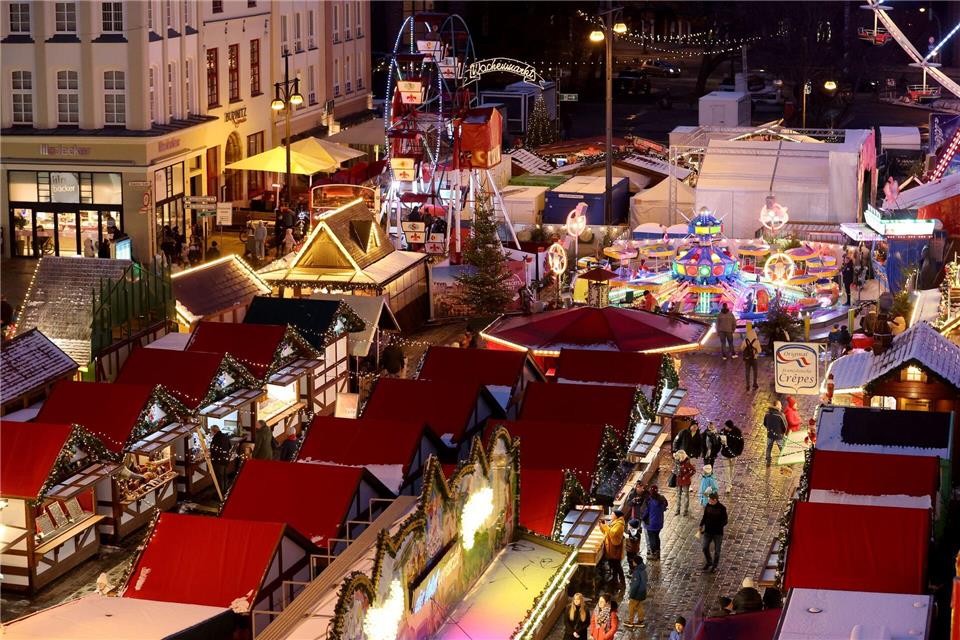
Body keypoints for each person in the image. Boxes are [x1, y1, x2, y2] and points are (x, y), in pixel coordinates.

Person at [699, 490, 727, 572]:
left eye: (710, 500)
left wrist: (718, 525)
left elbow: (725, 521)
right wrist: (701, 525)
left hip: (718, 533)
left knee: (717, 551)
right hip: (707, 532)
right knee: (704, 547)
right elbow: (705, 516)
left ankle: (714, 566)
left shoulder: (722, 508)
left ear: (715, 500)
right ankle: (709, 562)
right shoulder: (708, 505)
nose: (709, 501)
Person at [599, 510, 626, 591]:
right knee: (614, 566)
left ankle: (622, 583)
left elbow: (612, 533)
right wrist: (603, 525)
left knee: (617, 566)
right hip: (611, 549)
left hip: (615, 549)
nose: (611, 515)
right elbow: (607, 532)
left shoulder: (619, 524)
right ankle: (615, 582)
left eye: (612, 514)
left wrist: (604, 526)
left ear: (616, 516)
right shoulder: (614, 522)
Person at [639, 485, 667, 560]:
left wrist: (642, 518)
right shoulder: (662, 499)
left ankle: (653, 554)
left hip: (651, 524)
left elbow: (645, 512)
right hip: (659, 523)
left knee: (652, 539)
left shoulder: (649, 501)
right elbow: (665, 507)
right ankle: (658, 552)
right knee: (657, 537)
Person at [719, 420, 743, 494]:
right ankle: (728, 485)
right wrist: (721, 441)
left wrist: (738, 453)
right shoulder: (722, 432)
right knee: (727, 470)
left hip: (733, 455)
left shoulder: (737, 433)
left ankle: (729, 482)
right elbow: (718, 440)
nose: (725, 427)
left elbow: (741, 444)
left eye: (726, 426)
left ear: (729, 427)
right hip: (725, 454)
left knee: (731, 470)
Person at [625, 556, 648, 628]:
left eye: (634, 561)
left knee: (631, 605)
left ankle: (630, 621)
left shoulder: (637, 572)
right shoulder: (643, 570)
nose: (632, 562)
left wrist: (631, 594)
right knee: (639, 605)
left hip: (637, 593)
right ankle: (641, 620)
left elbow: (635, 585)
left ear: (636, 563)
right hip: (642, 592)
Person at [763, 401, 788, 467]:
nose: (781, 406)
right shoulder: (780, 415)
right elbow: (785, 426)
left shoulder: (767, 413)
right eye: (780, 405)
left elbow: (765, 423)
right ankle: (785, 461)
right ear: (776, 405)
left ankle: (768, 461)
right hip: (779, 435)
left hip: (770, 434)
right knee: (781, 448)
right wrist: (783, 432)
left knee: (768, 447)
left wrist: (769, 429)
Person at [209, 424, 232, 492]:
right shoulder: (225, 436)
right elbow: (230, 446)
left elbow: (213, 449)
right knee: (224, 476)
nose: (211, 433)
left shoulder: (216, 439)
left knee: (219, 478)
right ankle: (226, 490)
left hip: (218, 461)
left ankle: (220, 493)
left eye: (211, 432)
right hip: (225, 459)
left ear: (213, 431)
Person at [673, 451, 695, 516]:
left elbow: (693, 470)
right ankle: (678, 509)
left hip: (685, 482)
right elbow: (675, 469)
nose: (676, 459)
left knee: (686, 496)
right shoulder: (677, 461)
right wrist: (675, 471)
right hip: (678, 481)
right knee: (678, 495)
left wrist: (686, 476)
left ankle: (685, 510)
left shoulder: (687, 462)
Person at [742, 322, 761, 390]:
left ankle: (747, 385)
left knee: (747, 371)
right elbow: (759, 350)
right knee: (755, 371)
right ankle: (754, 383)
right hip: (754, 359)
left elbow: (741, 348)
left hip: (747, 359)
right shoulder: (756, 341)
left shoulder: (745, 340)